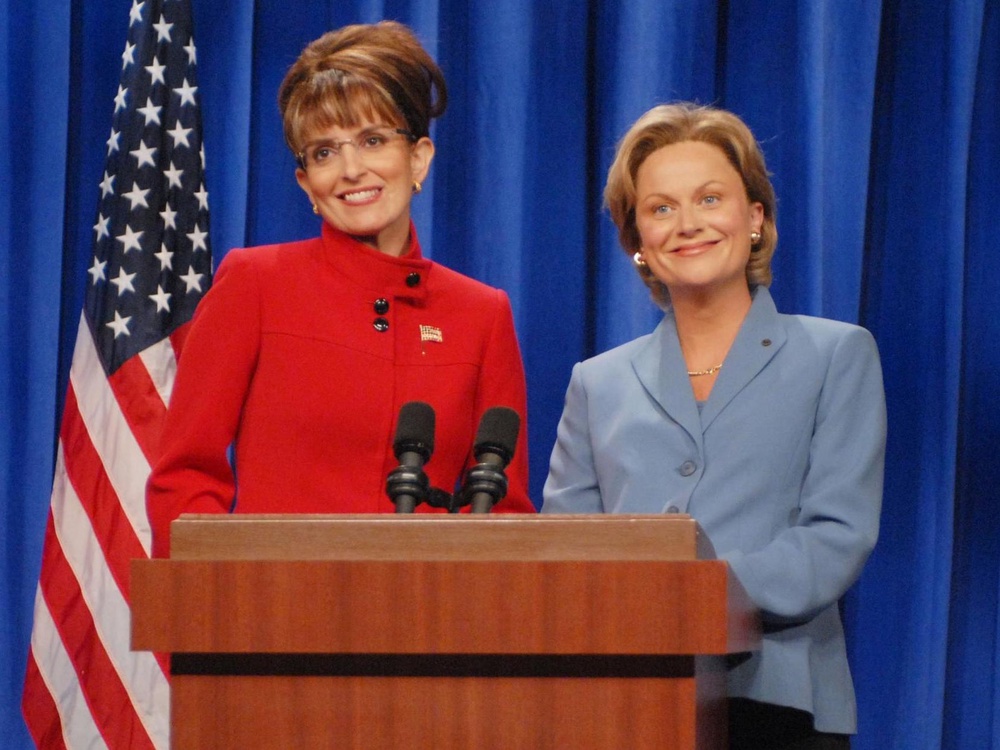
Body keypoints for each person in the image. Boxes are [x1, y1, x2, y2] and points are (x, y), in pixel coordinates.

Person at [542, 103, 886, 749]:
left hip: (780, 698)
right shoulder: (597, 381)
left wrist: (698, 596)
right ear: (637, 241)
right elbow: (568, 548)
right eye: (661, 208)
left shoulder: (837, 353)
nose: (687, 223)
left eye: (709, 198)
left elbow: (838, 533)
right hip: (625, 700)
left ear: (754, 218)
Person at [147, 21, 534, 559]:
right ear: (306, 182)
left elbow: (505, 512)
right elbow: (185, 481)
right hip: (267, 624)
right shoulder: (255, 284)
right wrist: (223, 611)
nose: (351, 170)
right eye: (324, 152)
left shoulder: (481, 314)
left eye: (373, 140)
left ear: (418, 158)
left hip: (430, 628)